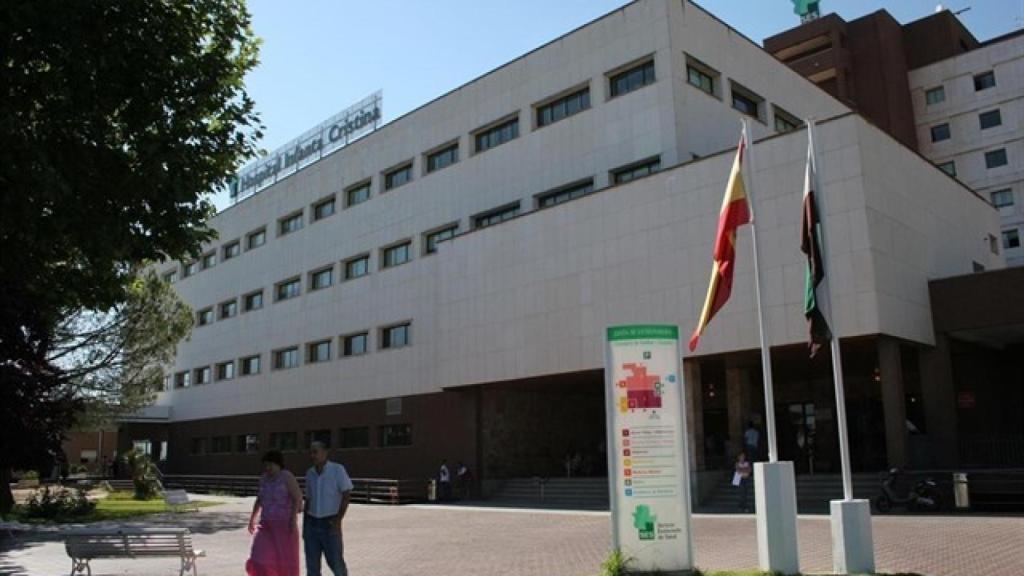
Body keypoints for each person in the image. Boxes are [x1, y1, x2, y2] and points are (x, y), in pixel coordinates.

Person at [246, 450, 302, 576]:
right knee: (258, 557)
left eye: (271, 464)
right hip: (265, 525)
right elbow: (259, 499)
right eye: (266, 465)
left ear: (278, 464)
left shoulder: (286, 476)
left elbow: (297, 497)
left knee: (284, 561)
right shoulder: (264, 478)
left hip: (284, 526)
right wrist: (252, 519)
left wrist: (293, 520)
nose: (268, 468)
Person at [304, 442, 353, 576]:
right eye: (311, 452)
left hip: (330, 522)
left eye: (315, 452)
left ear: (325, 453)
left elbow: (346, 495)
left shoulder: (337, 470)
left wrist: (338, 520)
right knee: (312, 566)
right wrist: (305, 526)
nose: (312, 455)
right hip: (312, 524)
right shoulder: (310, 473)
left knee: (336, 564)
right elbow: (308, 499)